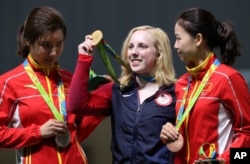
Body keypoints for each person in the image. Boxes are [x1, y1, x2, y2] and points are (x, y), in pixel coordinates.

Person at [0, 6, 104, 164]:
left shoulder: (70, 80)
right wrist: (38, 132)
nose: (54, 52)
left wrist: (104, 96)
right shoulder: (10, 82)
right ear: (28, 40)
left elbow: (78, 132)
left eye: (59, 44)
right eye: (46, 45)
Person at [68, 25, 176, 163]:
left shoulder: (175, 92)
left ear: (159, 53)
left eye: (142, 46)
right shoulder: (117, 90)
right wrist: (84, 59)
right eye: (130, 47)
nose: (134, 52)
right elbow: (76, 105)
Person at [160, 7, 250, 164]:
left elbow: (247, 133)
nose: (175, 45)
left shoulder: (228, 78)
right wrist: (169, 134)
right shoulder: (181, 83)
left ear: (198, 39)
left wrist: (225, 161)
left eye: (178, 38)